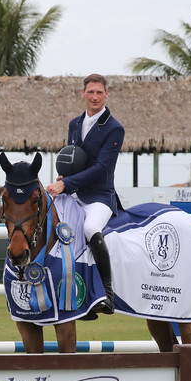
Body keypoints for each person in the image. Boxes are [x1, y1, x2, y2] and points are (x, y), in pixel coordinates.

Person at [46, 73, 125, 314]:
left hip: (100, 197)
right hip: (74, 193)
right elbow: (74, 158)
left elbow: (102, 168)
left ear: (106, 95)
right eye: (90, 92)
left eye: (99, 92)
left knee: (90, 229)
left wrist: (66, 184)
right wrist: (64, 177)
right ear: (83, 94)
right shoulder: (74, 124)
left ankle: (108, 295)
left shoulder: (114, 128)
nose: (94, 97)